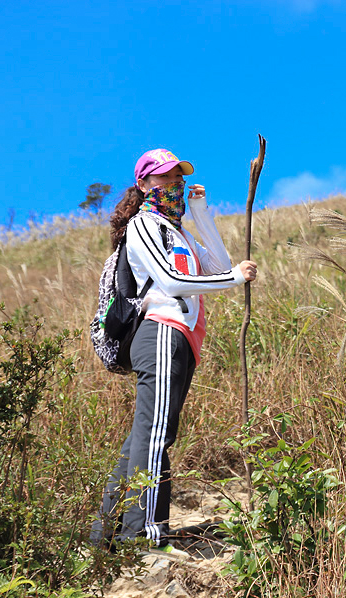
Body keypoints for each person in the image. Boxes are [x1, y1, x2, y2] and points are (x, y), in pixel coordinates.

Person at [90, 148, 257, 551]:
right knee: (156, 436)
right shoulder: (144, 225)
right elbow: (170, 282)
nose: (175, 183)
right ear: (144, 183)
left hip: (182, 338)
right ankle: (143, 538)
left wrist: (201, 214)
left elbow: (218, 263)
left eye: (178, 176)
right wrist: (233, 280)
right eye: (164, 176)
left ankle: (102, 538)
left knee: (142, 438)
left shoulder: (176, 232)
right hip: (161, 332)